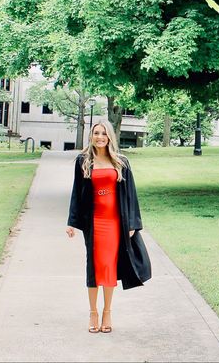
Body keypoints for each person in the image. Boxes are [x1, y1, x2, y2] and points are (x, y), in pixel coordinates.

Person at [66, 119, 151, 334]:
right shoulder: (83, 161)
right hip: (93, 223)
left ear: (110, 137)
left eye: (104, 133)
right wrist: (72, 223)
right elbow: (77, 193)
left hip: (115, 223)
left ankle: (107, 312)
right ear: (91, 136)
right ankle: (93, 312)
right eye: (96, 133)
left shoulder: (121, 162)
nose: (100, 137)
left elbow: (131, 195)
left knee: (109, 267)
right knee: (93, 267)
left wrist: (132, 223)